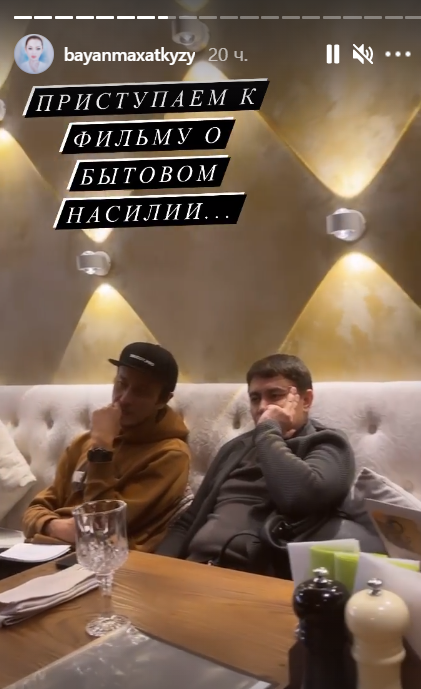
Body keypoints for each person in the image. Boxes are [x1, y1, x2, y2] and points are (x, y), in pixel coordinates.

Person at [156, 353, 385, 576]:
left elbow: (300, 497)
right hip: (196, 567)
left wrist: (268, 433)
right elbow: (189, 520)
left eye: (275, 395)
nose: (262, 407)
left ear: (305, 400)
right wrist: (158, 568)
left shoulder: (328, 443)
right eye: (255, 398)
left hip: (253, 576)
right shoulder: (237, 448)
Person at [22, 342, 191, 552]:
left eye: (141, 391)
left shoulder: (170, 455)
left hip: (105, 561)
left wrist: (102, 450)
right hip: (45, 549)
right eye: (121, 384)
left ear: (163, 400)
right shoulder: (84, 442)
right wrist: (54, 526)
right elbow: (36, 508)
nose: (124, 398)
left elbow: (102, 524)